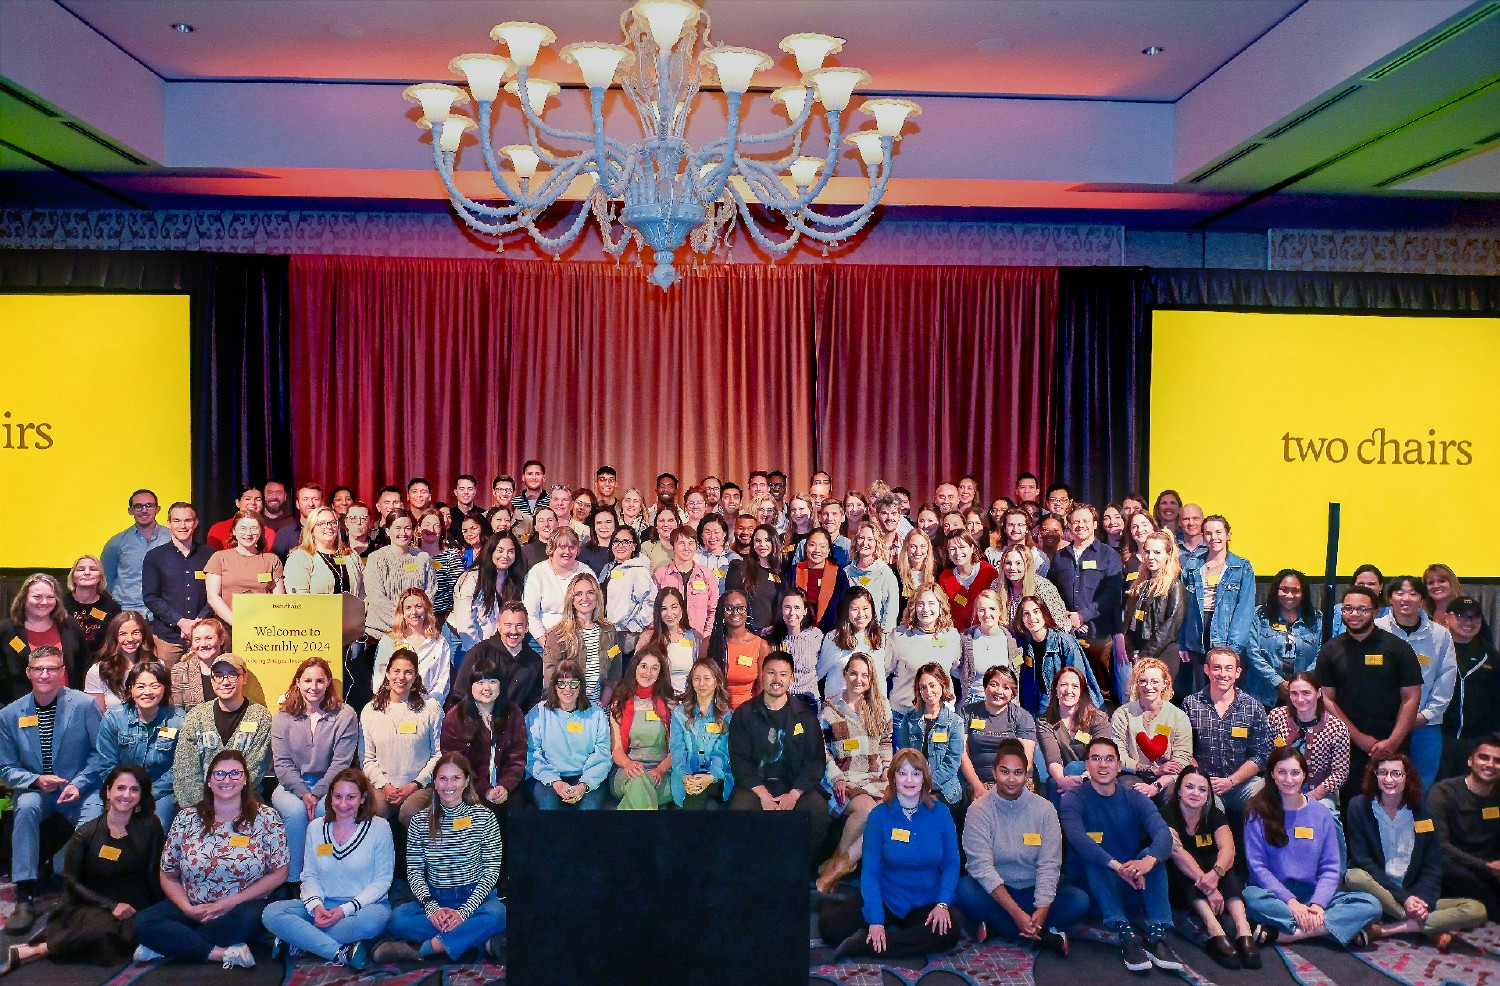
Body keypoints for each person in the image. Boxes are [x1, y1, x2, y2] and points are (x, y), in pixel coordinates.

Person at [0, 765, 164, 972]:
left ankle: (46, 940)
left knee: (137, 930)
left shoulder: (151, 826)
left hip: (134, 900)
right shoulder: (86, 833)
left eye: (134, 789)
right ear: (107, 792)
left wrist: (160, 908)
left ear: (141, 795)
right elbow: (72, 881)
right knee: (103, 932)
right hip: (92, 899)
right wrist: (111, 905)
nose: (126, 795)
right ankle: (36, 949)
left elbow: (153, 871)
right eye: (120, 788)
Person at [134, 749, 288, 968]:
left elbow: (279, 872)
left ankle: (167, 944)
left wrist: (228, 903)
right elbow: (168, 874)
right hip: (193, 905)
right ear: (209, 780)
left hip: (241, 906)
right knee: (143, 922)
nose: (227, 780)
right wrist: (188, 909)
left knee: (250, 919)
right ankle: (220, 953)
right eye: (219, 774)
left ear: (245, 779)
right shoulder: (186, 818)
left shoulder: (267, 817)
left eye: (235, 773)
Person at [819, 750, 961, 962]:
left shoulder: (941, 813)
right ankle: (884, 937)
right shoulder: (879, 816)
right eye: (902, 773)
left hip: (925, 900)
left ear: (925, 778)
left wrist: (942, 904)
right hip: (887, 897)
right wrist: (875, 919)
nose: (910, 780)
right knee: (829, 926)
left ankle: (866, 946)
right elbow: (870, 873)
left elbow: (951, 864)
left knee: (948, 932)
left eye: (916, 773)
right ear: (893, 777)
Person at [0, 645, 104, 934]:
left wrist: (79, 784)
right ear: (28, 673)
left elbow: (101, 754)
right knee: (25, 807)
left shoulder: (83, 705)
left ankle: (78, 891)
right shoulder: (10, 714)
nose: (45, 674)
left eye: (52, 668)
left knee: (94, 820)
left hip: (81, 788)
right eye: (39, 669)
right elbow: (5, 767)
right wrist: (35, 781)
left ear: (62, 672)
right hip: (38, 789)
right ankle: (25, 895)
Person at [1059, 737, 1184, 973]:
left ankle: (1157, 933)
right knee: (1095, 859)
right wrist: (1117, 867)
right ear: (1087, 764)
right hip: (1090, 888)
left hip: (1132, 883)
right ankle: (1125, 932)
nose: (1103, 765)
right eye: (1096, 758)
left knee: (1152, 853)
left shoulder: (1135, 798)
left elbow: (1163, 835)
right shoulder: (1072, 799)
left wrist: (1146, 863)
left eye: (1109, 759)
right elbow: (1080, 841)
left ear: (1119, 766)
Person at [1242, 746, 1382, 948]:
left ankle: (1284, 934)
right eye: (1282, 772)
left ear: (1304, 775)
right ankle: (1333, 929)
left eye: (1295, 773)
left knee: (1371, 905)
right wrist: (1291, 902)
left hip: (1315, 894)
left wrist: (1317, 905)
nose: (1289, 779)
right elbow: (1257, 868)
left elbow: (1331, 867)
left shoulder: (1321, 814)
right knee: (1251, 899)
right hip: (1276, 896)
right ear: (1271, 774)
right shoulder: (1256, 812)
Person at [1346, 753, 1486, 950]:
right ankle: (1427, 926)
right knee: (1353, 876)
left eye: (1396, 773)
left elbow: (1432, 866)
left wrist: (1422, 901)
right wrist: (1406, 900)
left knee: (1477, 910)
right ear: (1374, 775)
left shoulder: (1423, 813)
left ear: (1407, 777)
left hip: (1415, 894)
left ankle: (1385, 930)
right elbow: (1363, 861)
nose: (1388, 779)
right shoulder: (1358, 807)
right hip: (1381, 893)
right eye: (1383, 773)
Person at [957, 739, 1085, 954]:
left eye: (1018, 773)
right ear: (995, 772)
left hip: (1033, 890)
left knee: (1079, 901)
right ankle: (1042, 935)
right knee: (963, 889)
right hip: (996, 893)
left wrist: (1042, 908)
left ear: (1027, 775)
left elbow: (1049, 864)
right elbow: (981, 867)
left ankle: (999, 927)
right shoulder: (978, 810)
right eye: (1005, 772)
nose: (1011, 779)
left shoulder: (1044, 809)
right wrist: (1016, 913)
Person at [376, 754, 506, 964]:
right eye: (442, 778)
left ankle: (424, 948)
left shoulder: (485, 818)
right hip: (436, 898)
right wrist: (432, 908)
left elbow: (491, 871)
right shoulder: (419, 821)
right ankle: (476, 942)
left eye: (455, 778)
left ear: (466, 782)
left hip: (475, 898)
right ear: (434, 782)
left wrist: (464, 912)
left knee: (499, 914)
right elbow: (415, 871)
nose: (449, 785)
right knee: (397, 920)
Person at [260, 768, 394, 968]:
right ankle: (339, 951)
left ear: (363, 798)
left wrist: (344, 910)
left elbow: (382, 881)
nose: (342, 804)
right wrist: (316, 907)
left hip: (364, 908)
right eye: (337, 796)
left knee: (372, 922)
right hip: (322, 906)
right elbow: (309, 875)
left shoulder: (379, 827)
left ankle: (299, 940)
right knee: (271, 913)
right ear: (330, 797)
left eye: (350, 797)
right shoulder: (316, 827)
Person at [1317, 585, 1422, 801]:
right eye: (1348, 608)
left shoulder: (1398, 649)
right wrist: (1359, 738)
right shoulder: (1330, 650)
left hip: (1394, 743)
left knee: (1397, 803)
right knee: (1353, 805)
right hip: (1348, 746)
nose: (1354, 614)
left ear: (1376, 611)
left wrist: (1392, 742)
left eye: (1362, 609)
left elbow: (1411, 697)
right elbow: (1327, 699)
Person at [728, 652, 830, 855]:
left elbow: (815, 761)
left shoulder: (806, 717)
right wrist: (763, 794)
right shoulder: (744, 714)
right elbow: (739, 760)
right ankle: (752, 871)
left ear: (791, 678)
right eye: (771, 673)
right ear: (762, 675)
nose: (777, 680)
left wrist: (794, 795)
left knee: (817, 812)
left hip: (794, 786)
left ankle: (797, 868)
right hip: (755, 787)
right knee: (739, 812)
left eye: (783, 674)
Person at [270, 657, 359, 885]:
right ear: (297, 682)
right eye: (307, 680)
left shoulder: (345, 715)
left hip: (331, 785)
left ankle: (323, 877)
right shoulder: (282, 717)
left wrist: (317, 793)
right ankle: (293, 880)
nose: (313, 687)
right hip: (291, 785)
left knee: (325, 812)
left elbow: (341, 763)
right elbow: (282, 764)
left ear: (328, 682)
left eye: (320, 681)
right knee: (296, 813)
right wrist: (303, 793)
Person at [1162, 766, 1258, 969]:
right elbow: (1176, 852)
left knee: (1222, 863)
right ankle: (1214, 929)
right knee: (1186, 865)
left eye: (1202, 789)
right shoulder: (1167, 813)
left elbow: (1228, 849)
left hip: (1211, 877)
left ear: (1208, 795)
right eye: (1189, 787)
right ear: (1179, 790)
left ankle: (1243, 930)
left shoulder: (1213, 814)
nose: (1195, 793)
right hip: (1182, 883)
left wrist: (1216, 874)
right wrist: (1209, 885)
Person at [816, 654, 894, 894]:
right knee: (867, 810)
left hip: (874, 779)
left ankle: (836, 866)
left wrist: (887, 767)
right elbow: (822, 751)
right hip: (843, 779)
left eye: (864, 675)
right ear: (845, 674)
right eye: (853, 673)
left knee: (885, 812)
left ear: (871, 680)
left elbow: (885, 742)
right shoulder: (829, 709)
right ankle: (839, 864)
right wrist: (837, 777)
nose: (858, 680)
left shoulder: (880, 707)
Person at [1375, 575, 1457, 793]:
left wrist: (1426, 715)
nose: (1406, 599)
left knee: (1421, 787)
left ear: (1422, 599)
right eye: (1399, 593)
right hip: (1383, 725)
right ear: (1389, 597)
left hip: (1425, 725)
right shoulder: (1375, 630)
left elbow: (1446, 678)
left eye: (1413, 593)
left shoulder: (1440, 635)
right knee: (1381, 786)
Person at [85, 660, 183, 832]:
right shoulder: (114, 718)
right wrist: (125, 791)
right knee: (99, 827)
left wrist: (146, 794)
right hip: (121, 788)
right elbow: (107, 763)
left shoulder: (179, 720)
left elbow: (180, 767)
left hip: (161, 791)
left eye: (154, 686)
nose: (147, 692)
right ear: (130, 689)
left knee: (158, 826)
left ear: (165, 688)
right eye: (140, 686)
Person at [172, 653, 272, 809]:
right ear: (212, 680)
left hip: (245, 801)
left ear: (244, 678)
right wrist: (201, 807)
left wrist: (225, 804)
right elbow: (185, 769)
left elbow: (255, 768)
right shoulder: (196, 716)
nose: (225, 682)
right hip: (199, 803)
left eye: (232, 675)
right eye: (218, 676)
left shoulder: (260, 717)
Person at [358, 649, 443, 828]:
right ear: (387, 673)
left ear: (415, 676)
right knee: (373, 813)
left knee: (410, 812)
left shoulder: (430, 708)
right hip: (382, 787)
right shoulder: (370, 710)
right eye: (396, 671)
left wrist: (415, 784)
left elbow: (438, 754)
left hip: (420, 786)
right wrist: (385, 786)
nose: (401, 677)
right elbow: (367, 759)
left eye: (408, 672)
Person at [1181, 647, 1272, 815]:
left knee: (1264, 796)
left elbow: (1261, 755)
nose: (1223, 674)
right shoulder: (1190, 705)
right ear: (1206, 670)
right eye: (1217, 667)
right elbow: (1184, 751)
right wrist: (1203, 781)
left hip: (1242, 784)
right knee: (1205, 806)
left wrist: (1231, 781)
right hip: (1203, 783)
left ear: (1237, 672)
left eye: (1228, 668)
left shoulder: (1253, 707)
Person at [1046, 504, 1123, 701]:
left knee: (1101, 691)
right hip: (1067, 634)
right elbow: (1050, 593)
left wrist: (1082, 616)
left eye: (1085, 521)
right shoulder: (1060, 557)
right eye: (1076, 522)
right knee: (1069, 689)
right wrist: (1066, 618)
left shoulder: (1109, 555)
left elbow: (1113, 594)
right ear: (1069, 526)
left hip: (1099, 635)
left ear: (1095, 524)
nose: (1080, 525)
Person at [1177, 515, 1256, 698]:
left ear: (1228, 534)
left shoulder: (1242, 567)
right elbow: (1183, 606)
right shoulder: (1192, 566)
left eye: (1219, 532)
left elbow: (1244, 610)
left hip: (1227, 633)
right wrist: (1183, 642)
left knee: (1227, 691)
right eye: (1208, 533)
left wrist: (1232, 649)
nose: (1214, 538)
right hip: (1197, 634)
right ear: (1203, 537)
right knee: (1202, 692)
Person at [440, 655, 527, 815]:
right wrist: (485, 789)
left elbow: (518, 757)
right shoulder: (455, 717)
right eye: (480, 682)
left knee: (517, 814)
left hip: (506, 786)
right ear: (470, 686)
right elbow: (456, 763)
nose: (487, 688)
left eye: (493, 681)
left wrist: (505, 786)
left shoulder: (513, 713)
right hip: (469, 787)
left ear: (501, 686)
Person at [1425, 734, 1500, 917]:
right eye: (1484, 757)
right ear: (1470, 761)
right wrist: (1487, 867)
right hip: (1456, 865)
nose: (1490, 764)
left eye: (1497, 761)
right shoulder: (1443, 793)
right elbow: (1440, 847)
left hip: (1492, 867)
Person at [524, 657, 611, 810]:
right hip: (547, 778)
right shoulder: (538, 712)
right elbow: (531, 754)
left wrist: (584, 785)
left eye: (573, 683)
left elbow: (603, 755)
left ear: (581, 686)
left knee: (588, 808)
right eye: (562, 683)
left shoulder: (596, 714)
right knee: (549, 806)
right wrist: (555, 782)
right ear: (554, 686)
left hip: (586, 777)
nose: (568, 689)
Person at [1268, 672, 1350, 820]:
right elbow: (1267, 755)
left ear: (1318, 693)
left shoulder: (1336, 728)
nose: (1300, 699)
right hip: (1280, 786)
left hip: (1319, 791)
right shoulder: (1276, 717)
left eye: (1306, 693)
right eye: (1294, 693)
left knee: (1327, 816)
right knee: (1260, 810)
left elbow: (1340, 773)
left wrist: (1314, 795)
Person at [142, 502, 216, 666]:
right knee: (165, 686)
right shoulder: (155, 557)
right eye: (176, 521)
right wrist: (181, 622)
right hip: (168, 639)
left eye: (187, 520)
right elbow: (150, 597)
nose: (182, 526)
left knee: (205, 686)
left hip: (205, 638)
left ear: (195, 523)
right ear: (169, 524)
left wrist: (198, 623)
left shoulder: (210, 555)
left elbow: (216, 594)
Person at [1110, 658, 1192, 801]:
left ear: (1164, 684)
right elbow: (1118, 756)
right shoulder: (1122, 714)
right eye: (1143, 681)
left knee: (1176, 795)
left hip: (1167, 778)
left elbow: (1182, 760)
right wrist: (1153, 769)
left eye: (1155, 681)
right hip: (1133, 774)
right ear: (1136, 684)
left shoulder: (1179, 717)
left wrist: (1157, 785)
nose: (1148, 686)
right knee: (1129, 790)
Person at [0, 573, 91, 701]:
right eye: (37, 597)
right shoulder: (5, 631)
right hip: (21, 711)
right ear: (24, 598)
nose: (44, 602)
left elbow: (84, 666)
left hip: (67, 707)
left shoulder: (70, 626)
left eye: (50, 597)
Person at [1012, 595, 1105, 716]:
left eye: (1036, 612)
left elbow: (1079, 682)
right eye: (1026, 614)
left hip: (1065, 707)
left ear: (1044, 613)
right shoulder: (1024, 645)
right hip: (1036, 709)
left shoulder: (1065, 642)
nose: (1032, 618)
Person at [1441, 596, 1500, 780]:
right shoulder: (1436, 648)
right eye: (1461, 616)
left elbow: (1497, 696)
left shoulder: (1489, 653)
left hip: (1479, 740)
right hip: (1441, 737)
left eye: (1474, 617)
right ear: (1447, 618)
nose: (1468, 622)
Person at [541, 572, 623, 704]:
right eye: (578, 594)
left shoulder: (609, 631)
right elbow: (551, 675)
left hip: (600, 707)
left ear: (597, 596)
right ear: (571, 599)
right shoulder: (558, 634)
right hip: (568, 707)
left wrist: (603, 703)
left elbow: (615, 670)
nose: (585, 598)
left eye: (590, 592)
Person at [1122, 531, 1186, 700]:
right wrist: (1132, 649)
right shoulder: (1141, 584)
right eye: (1147, 551)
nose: (1151, 557)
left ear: (1168, 555)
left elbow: (1171, 627)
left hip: (1163, 653)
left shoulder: (1174, 585)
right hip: (1140, 652)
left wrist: (1144, 656)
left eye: (1157, 552)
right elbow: (1132, 620)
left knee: (1160, 703)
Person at [1245, 569, 1322, 708]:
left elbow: (1321, 654)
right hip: (1263, 693)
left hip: (1303, 696)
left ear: (1303, 593)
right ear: (1275, 590)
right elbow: (1252, 654)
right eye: (1284, 590)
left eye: (1295, 591)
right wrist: (1278, 682)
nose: (1289, 595)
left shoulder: (1316, 619)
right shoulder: (1258, 616)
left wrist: (1299, 684)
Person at [445, 531, 525, 664]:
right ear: (490, 551)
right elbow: (466, 625)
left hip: (489, 641)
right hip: (461, 639)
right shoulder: (471, 578)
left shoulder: (514, 580)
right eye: (500, 550)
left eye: (511, 551)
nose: (505, 556)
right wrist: (480, 656)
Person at [959, 665, 1037, 800]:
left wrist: (1006, 788)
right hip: (978, 782)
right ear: (985, 687)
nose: (999, 691)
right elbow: (962, 754)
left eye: (1006, 688)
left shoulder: (1022, 717)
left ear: (1013, 693)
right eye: (993, 684)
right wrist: (977, 786)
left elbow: (1026, 760)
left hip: (1014, 781)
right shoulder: (967, 713)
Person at [608, 651, 675, 809]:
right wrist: (628, 764)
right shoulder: (620, 704)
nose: (648, 673)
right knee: (638, 781)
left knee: (639, 790)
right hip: (627, 771)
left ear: (660, 673)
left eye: (654, 668)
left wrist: (660, 769)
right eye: (643, 666)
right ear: (635, 669)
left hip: (663, 772)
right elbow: (616, 749)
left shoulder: (670, 704)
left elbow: (676, 750)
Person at [1037, 666, 1112, 805]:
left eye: (1075, 686)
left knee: (1075, 767)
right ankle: (1060, 826)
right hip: (1064, 776)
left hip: (1095, 773)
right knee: (1053, 782)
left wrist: (1084, 777)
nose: (1068, 690)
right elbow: (1052, 758)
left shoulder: (1098, 718)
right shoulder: (1045, 721)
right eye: (1064, 685)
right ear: (1056, 690)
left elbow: (1101, 754)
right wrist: (1062, 781)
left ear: (1081, 691)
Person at [452, 601, 542, 715]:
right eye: (508, 625)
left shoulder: (535, 662)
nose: (513, 631)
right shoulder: (480, 653)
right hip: (477, 724)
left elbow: (532, 706)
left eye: (519, 625)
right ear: (499, 626)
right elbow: (460, 694)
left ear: (527, 628)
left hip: (513, 728)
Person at [887, 582, 962, 716]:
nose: (926, 609)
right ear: (913, 608)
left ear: (941, 606)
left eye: (931, 603)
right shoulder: (899, 636)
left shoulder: (952, 636)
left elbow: (957, 671)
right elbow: (883, 672)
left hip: (942, 715)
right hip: (905, 715)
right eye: (920, 604)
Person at [669, 659, 733, 809]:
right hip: (687, 776)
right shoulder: (679, 714)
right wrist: (684, 775)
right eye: (697, 678)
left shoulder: (727, 715)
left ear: (716, 681)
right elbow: (677, 750)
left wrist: (711, 776)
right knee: (707, 804)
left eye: (707, 678)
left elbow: (722, 752)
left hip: (716, 777)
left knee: (697, 797)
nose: (702, 683)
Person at [373, 588, 452, 705]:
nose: (414, 612)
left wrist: (429, 708)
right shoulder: (388, 641)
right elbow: (379, 680)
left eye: (418, 606)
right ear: (402, 613)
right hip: (394, 706)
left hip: (428, 707)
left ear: (426, 610)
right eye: (408, 608)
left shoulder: (439, 642)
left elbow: (442, 683)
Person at [364, 510, 435, 639]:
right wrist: (402, 623)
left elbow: (429, 593)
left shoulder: (423, 558)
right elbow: (376, 598)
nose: (403, 533)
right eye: (398, 528)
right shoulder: (376, 558)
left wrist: (414, 622)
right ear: (388, 531)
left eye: (407, 528)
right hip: (381, 634)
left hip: (416, 632)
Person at [101, 489, 173, 618]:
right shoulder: (116, 543)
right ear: (130, 511)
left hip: (165, 614)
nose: (144, 510)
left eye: (149, 505)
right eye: (138, 506)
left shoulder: (172, 539)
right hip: (127, 614)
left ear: (158, 509)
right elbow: (106, 579)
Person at [204, 511, 284, 626]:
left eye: (254, 528)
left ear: (261, 532)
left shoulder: (272, 560)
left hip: (263, 626)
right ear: (234, 531)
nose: (248, 533)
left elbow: (278, 600)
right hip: (228, 627)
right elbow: (213, 597)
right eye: (242, 528)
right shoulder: (219, 558)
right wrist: (237, 623)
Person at [523, 528, 595, 647]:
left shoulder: (586, 572)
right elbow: (530, 614)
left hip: (579, 639)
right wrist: (547, 645)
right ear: (552, 548)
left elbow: (595, 608)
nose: (567, 551)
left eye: (572, 547)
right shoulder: (537, 572)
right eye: (562, 547)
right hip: (542, 639)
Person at [817, 587, 885, 707]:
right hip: (838, 708)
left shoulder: (879, 637)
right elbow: (818, 673)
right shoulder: (835, 638)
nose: (861, 614)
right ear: (846, 611)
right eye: (854, 609)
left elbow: (880, 677)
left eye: (865, 608)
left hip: (868, 710)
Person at [283, 506, 366, 598]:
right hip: (316, 612)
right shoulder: (300, 558)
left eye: (332, 522)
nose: (329, 527)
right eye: (322, 523)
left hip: (353, 611)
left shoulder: (351, 555)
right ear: (311, 529)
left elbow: (365, 590)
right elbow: (299, 598)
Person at [708, 590, 771, 709]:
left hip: (747, 713)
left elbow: (762, 689)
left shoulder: (760, 645)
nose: (735, 613)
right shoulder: (710, 643)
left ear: (747, 612)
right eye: (729, 608)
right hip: (715, 713)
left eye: (741, 608)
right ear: (722, 612)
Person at [85, 610, 158, 712]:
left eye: (135, 632)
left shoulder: (157, 666)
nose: (130, 639)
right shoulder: (97, 671)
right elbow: (97, 716)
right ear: (114, 637)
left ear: (144, 635)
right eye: (123, 634)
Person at [599, 525, 656, 653]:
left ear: (634, 546)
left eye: (626, 542)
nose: (620, 545)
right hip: (608, 633)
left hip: (627, 636)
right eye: (617, 541)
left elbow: (650, 601)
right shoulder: (607, 569)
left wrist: (633, 626)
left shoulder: (639, 571)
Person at [956, 590, 1018, 705]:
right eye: (982, 610)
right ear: (976, 612)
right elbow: (956, 670)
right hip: (974, 701)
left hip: (1003, 702)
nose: (986, 614)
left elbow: (1016, 675)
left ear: (1000, 611)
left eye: (992, 609)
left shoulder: (1013, 641)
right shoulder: (965, 640)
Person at [772, 588, 825, 710]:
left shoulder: (816, 635)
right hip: (783, 702)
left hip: (808, 701)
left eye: (797, 608)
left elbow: (822, 668)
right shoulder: (773, 640)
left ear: (805, 611)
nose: (791, 612)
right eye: (787, 607)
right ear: (781, 610)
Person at [997, 543, 1070, 630]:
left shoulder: (1043, 587)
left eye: (1018, 563)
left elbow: (1062, 624)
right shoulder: (996, 585)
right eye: (1008, 563)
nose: (1012, 568)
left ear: (1027, 565)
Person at [937, 533, 998, 634]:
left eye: (962, 547)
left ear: (972, 548)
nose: (957, 552)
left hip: (985, 633)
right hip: (958, 635)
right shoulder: (945, 578)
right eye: (952, 549)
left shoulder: (988, 572)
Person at [844, 522, 900, 632]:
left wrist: (883, 638)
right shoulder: (846, 573)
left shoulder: (885, 574)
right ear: (855, 541)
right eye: (861, 538)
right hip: (849, 636)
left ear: (877, 543)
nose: (865, 543)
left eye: (870, 539)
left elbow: (891, 612)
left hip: (875, 637)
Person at [732, 523, 784, 637]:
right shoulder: (740, 568)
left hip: (774, 636)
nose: (762, 545)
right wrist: (754, 629)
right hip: (747, 635)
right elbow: (732, 603)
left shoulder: (782, 572)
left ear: (774, 542)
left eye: (767, 540)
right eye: (758, 541)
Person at [63, 554, 122, 653]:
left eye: (93, 569)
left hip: (100, 662)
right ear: (73, 576)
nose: (87, 573)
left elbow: (115, 641)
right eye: (80, 569)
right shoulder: (60, 604)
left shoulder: (112, 608)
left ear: (100, 577)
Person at [170, 616, 226, 710]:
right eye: (197, 640)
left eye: (209, 638)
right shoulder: (180, 670)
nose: (203, 644)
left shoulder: (233, 667)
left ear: (221, 640)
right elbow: (176, 710)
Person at [895, 531, 936, 618]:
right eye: (913, 546)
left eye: (922, 546)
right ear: (906, 548)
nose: (918, 551)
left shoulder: (936, 573)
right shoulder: (895, 573)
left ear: (928, 548)